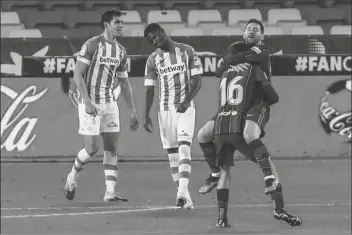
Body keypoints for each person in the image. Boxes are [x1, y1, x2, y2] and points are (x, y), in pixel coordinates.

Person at [198, 19, 302, 227]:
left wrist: (235, 59)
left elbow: (227, 63)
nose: (251, 32)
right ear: (243, 34)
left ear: (262, 36)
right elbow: (225, 63)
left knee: (248, 134)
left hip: (255, 101)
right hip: (234, 107)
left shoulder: (261, 52)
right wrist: (236, 59)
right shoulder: (239, 58)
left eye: (256, 30)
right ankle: (221, 202)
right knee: (205, 135)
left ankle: (275, 199)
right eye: (248, 29)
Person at [64, 10, 139, 202]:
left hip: (109, 103)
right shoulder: (92, 45)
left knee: (111, 148)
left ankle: (110, 192)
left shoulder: (121, 51)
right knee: (91, 149)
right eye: (117, 22)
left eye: (121, 22)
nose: (120, 25)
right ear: (106, 24)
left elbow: (124, 82)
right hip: (90, 102)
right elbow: (78, 75)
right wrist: (87, 103)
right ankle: (72, 176)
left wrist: (132, 111)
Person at [213, 42, 280, 227]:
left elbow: (219, 69)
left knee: (223, 170)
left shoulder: (226, 71)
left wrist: (230, 62)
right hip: (239, 121)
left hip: (221, 123)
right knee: (263, 158)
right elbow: (274, 97)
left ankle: (221, 218)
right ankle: (278, 203)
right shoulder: (253, 68)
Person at [143, 23, 203, 209]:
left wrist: (186, 101)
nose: (155, 41)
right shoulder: (153, 60)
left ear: (163, 31)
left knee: (184, 146)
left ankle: (181, 192)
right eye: (151, 40)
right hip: (164, 111)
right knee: (172, 155)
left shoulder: (187, 51)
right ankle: (185, 199)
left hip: (185, 107)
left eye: (156, 36)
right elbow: (150, 89)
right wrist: (146, 115)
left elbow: (197, 81)